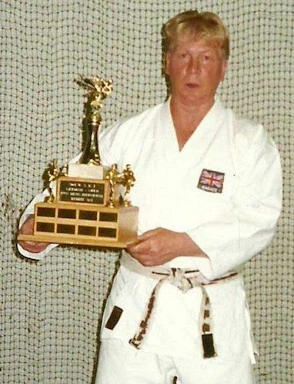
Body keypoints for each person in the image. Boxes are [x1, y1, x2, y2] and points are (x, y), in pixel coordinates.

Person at [18, 10, 282, 384]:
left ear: (222, 67)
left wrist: (182, 243)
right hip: (137, 306)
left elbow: (259, 218)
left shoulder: (249, 141)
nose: (193, 68)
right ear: (166, 63)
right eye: (183, 55)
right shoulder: (128, 134)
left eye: (206, 58)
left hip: (212, 318)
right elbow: (78, 184)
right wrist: (38, 226)